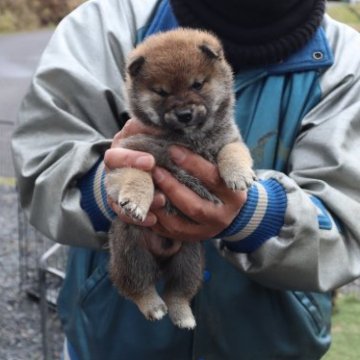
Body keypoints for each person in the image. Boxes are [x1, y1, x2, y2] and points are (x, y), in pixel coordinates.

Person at [11, 0, 360, 359]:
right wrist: (114, 189)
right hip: (114, 342)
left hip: (268, 345)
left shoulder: (348, 62)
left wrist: (257, 214)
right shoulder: (106, 22)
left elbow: (348, 224)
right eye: (162, 93)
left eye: (197, 85)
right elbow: (42, 166)